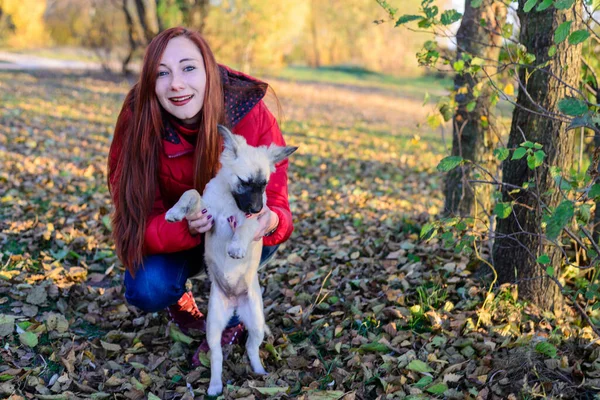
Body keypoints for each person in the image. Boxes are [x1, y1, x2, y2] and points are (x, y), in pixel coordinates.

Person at [107, 27, 293, 366]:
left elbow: (278, 201)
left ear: (209, 69)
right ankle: (180, 300)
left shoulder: (248, 113)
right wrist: (186, 228)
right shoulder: (138, 118)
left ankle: (231, 319)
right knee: (146, 288)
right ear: (150, 80)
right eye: (162, 73)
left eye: (188, 68)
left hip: (238, 233)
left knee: (255, 235)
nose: (176, 83)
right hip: (182, 233)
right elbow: (134, 218)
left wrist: (270, 220)